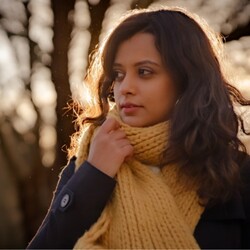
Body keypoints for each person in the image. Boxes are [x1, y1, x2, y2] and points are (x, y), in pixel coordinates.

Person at [27, 6, 250, 249]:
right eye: (118, 74)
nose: (124, 88)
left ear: (186, 80)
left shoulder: (234, 172)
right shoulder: (88, 164)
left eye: (144, 72)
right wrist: (94, 176)